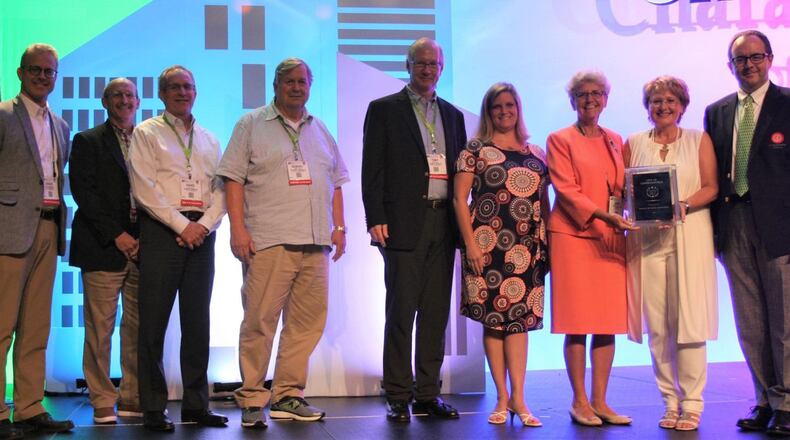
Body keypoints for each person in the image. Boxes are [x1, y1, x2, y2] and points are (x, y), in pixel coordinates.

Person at [217, 58, 349, 429]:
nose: (296, 87)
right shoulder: (251, 124)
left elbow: (336, 181)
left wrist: (340, 227)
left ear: (310, 86)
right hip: (269, 239)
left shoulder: (319, 128)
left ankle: (288, 395)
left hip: (315, 240)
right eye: (289, 81)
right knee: (260, 321)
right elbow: (232, 179)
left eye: (302, 81)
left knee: (306, 324)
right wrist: (237, 230)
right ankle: (253, 397)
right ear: (275, 86)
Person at [361, 37, 466, 423]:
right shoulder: (384, 110)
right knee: (402, 311)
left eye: (433, 64)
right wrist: (375, 218)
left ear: (442, 68)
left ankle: (427, 393)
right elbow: (372, 168)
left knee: (436, 314)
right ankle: (398, 393)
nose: (427, 69)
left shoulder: (453, 116)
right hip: (403, 222)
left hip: (444, 221)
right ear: (408, 66)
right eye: (420, 63)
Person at [129, 65, 227, 432]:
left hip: (202, 235)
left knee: (198, 323)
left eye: (188, 86)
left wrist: (202, 226)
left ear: (196, 92)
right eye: (174, 87)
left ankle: (196, 405)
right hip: (162, 233)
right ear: (162, 93)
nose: (182, 93)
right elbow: (144, 189)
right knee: (152, 324)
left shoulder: (209, 139)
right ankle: (153, 407)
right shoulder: (146, 133)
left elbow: (222, 191)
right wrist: (183, 225)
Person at [704, 30, 790, 436]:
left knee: (784, 319)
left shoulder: (788, 104)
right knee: (750, 319)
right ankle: (763, 400)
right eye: (741, 59)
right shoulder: (716, 112)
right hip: (733, 221)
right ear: (731, 66)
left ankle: (786, 401)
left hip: (779, 225)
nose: (749, 65)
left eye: (756, 57)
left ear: (770, 59)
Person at [624, 76, 718, 431]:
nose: (663, 107)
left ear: (682, 105)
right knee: (659, 326)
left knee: (689, 320)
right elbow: (625, 189)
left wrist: (681, 205)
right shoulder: (633, 142)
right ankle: (669, 400)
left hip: (690, 234)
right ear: (648, 107)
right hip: (648, 241)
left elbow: (710, 187)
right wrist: (631, 212)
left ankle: (692, 402)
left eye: (670, 100)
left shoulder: (698, 139)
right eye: (656, 101)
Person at [453, 82, 548, 427]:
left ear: (518, 108)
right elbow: (459, 200)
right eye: (497, 106)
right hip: (487, 248)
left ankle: (520, 398)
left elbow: (543, 203)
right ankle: (502, 397)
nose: (505, 111)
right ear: (489, 111)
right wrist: (471, 246)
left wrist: (546, 245)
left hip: (528, 249)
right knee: (494, 322)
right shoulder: (475, 149)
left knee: (519, 323)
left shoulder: (537, 153)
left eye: (510, 105)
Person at [546, 70, 637, 427]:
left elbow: (624, 187)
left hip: (611, 238)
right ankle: (579, 401)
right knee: (577, 322)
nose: (590, 100)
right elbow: (566, 190)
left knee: (606, 322)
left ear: (606, 99)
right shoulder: (560, 139)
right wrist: (603, 216)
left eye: (597, 94)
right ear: (573, 101)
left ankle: (601, 400)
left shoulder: (615, 139)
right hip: (574, 237)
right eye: (583, 94)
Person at [0, 43, 74, 437]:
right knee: (1, 325)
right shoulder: (2, 115)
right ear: (20, 72)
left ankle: (29, 407)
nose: (43, 77)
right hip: (8, 230)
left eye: (49, 71)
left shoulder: (60, 125)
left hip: (49, 226)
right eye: (36, 70)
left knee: (36, 326)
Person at [69, 78, 143, 425]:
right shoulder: (87, 141)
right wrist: (117, 235)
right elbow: (85, 193)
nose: (124, 101)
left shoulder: (148, 139)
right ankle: (101, 398)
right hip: (103, 246)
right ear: (104, 101)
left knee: (137, 328)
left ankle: (132, 396)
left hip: (143, 247)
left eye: (129, 95)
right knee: (100, 328)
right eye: (117, 95)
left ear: (138, 101)